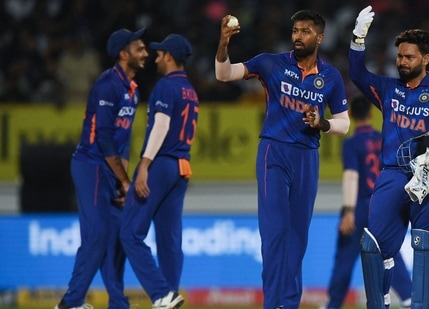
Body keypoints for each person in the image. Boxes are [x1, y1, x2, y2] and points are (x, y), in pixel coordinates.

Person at [215, 10, 350, 309]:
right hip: (273, 153)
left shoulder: (330, 77)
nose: (298, 36)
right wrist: (223, 45)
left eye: (305, 31)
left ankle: (287, 304)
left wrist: (322, 124)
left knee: (297, 238)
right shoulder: (270, 63)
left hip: (306, 157)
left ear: (320, 37)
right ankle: (272, 303)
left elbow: (344, 123)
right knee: (275, 233)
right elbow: (223, 75)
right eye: (295, 31)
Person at [348, 6, 429, 309]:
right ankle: (378, 303)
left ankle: (423, 304)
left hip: (428, 177)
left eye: (409, 57)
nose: (402, 62)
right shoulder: (387, 89)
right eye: (400, 56)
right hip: (392, 174)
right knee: (372, 246)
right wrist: (358, 38)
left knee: (426, 247)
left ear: (425, 59)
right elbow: (357, 74)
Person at [55, 28, 148, 309]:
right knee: (96, 235)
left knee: (113, 238)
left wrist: (122, 180)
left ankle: (117, 302)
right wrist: (125, 181)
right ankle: (71, 303)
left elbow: (124, 140)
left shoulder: (132, 91)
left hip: (110, 170)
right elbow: (104, 139)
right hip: (91, 165)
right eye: (139, 49)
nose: (145, 53)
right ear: (123, 54)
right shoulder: (107, 85)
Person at [120, 33, 198, 309]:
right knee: (170, 240)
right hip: (181, 168)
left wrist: (144, 164)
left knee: (130, 232)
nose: (155, 57)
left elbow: (161, 126)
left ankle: (161, 293)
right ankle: (169, 296)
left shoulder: (166, 86)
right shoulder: (190, 90)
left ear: (169, 57)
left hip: (161, 164)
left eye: (160, 53)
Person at [322, 96, 412, 309]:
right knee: (390, 252)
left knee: (345, 258)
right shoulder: (385, 139)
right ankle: (410, 298)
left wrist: (349, 210)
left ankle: (332, 304)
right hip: (384, 205)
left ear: (351, 115)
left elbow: (352, 176)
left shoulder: (352, 143)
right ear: (371, 115)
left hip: (361, 205)